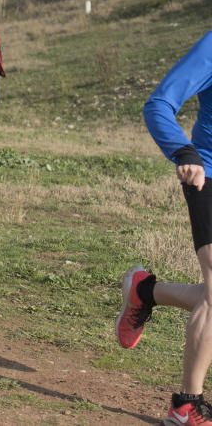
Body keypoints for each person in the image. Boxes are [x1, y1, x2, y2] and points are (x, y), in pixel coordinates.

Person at [120, 33, 212, 423]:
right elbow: (159, 104)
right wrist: (184, 152)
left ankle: (144, 291)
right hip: (206, 177)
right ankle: (186, 407)